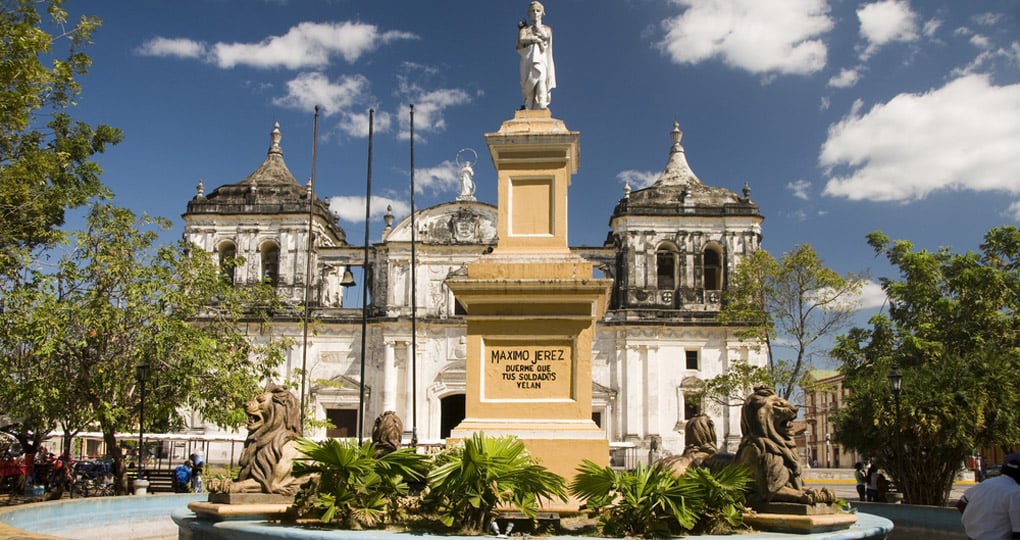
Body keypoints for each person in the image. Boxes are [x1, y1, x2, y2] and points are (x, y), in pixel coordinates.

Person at [957, 453, 1020, 540]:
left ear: (1002, 469)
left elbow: (961, 503)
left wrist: (979, 522)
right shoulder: (1016, 492)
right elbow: (1018, 533)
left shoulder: (985, 483)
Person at [517, 1, 555, 110]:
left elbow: (546, 36)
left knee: (541, 78)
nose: (535, 12)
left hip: (541, 57)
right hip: (528, 57)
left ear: (542, 13)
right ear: (529, 13)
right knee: (529, 79)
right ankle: (528, 104)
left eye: (538, 10)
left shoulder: (547, 28)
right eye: (533, 11)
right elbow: (521, 40)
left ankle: (541, 102)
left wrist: (538, 25)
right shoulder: (525, 29)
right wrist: (535, 39)